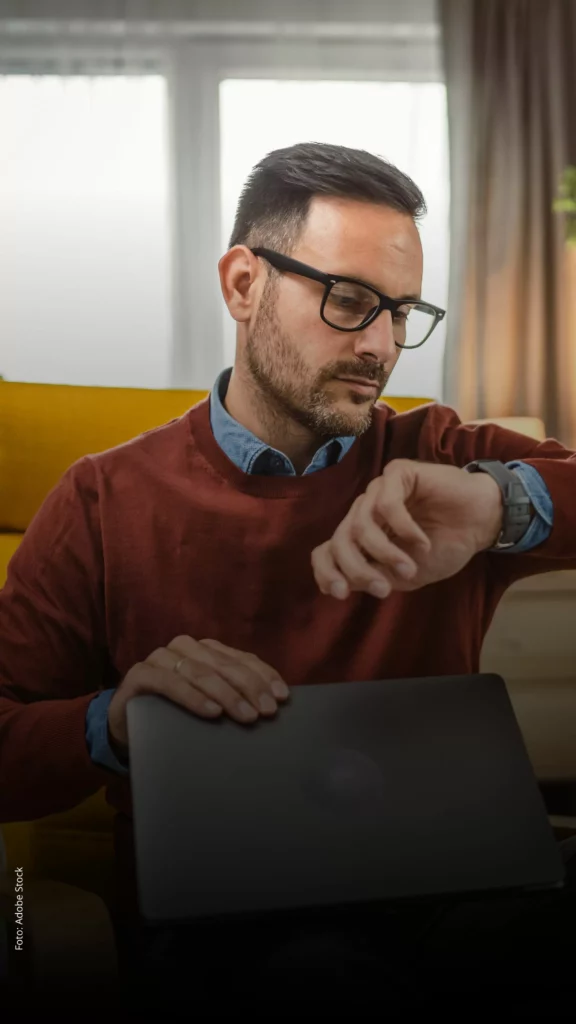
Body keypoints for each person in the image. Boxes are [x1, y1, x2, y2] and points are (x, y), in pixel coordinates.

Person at [1, 142, 576, 1009]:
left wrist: (499, 504)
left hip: (455, 900)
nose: (381, 345)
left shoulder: (441, 458)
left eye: (402, 312)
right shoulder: (100, 500)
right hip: (224, 930)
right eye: (348, 300)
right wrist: (111, 722)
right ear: (243, 284)